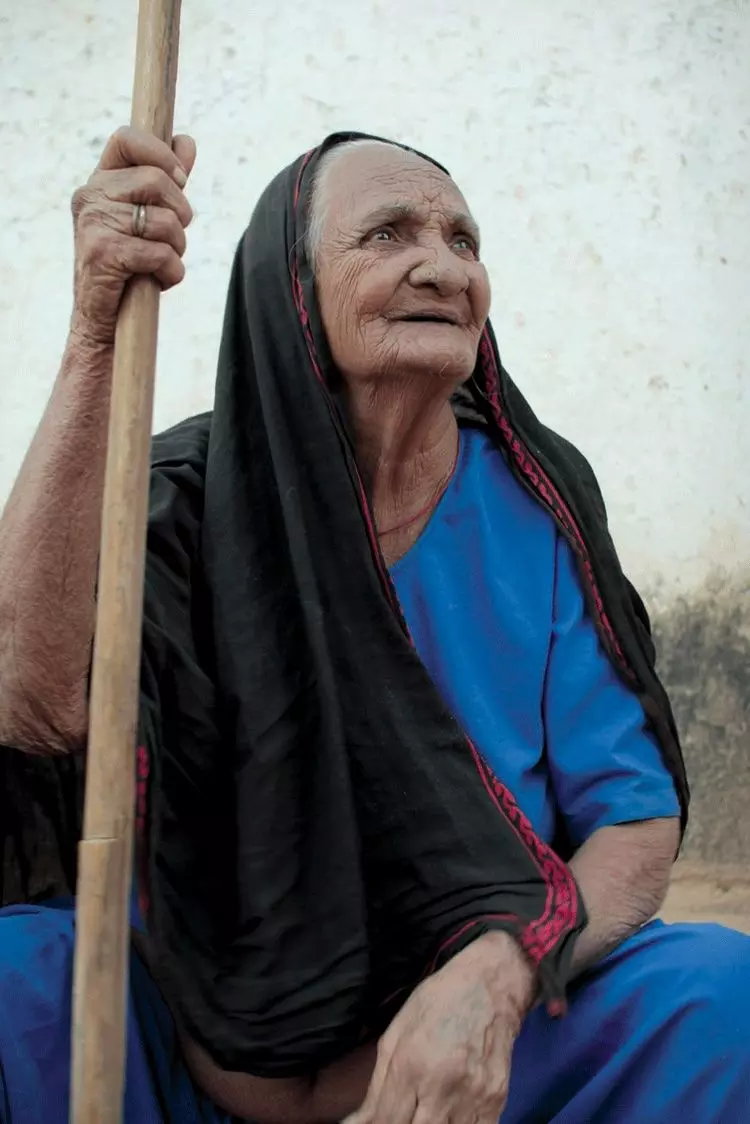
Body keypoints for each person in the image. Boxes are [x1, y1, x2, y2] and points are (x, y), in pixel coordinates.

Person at [0, 126, 747, 1124]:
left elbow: (635, 814)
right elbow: (30, 700)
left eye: (463, 240)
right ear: (292, 289)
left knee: (716, 993)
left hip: (486, 1039)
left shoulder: (537, 502)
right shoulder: (175, 502)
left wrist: (501, 969)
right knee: (16, 972)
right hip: (192, 1042)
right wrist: (97, 330)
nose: (441, 266)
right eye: (388, 235)